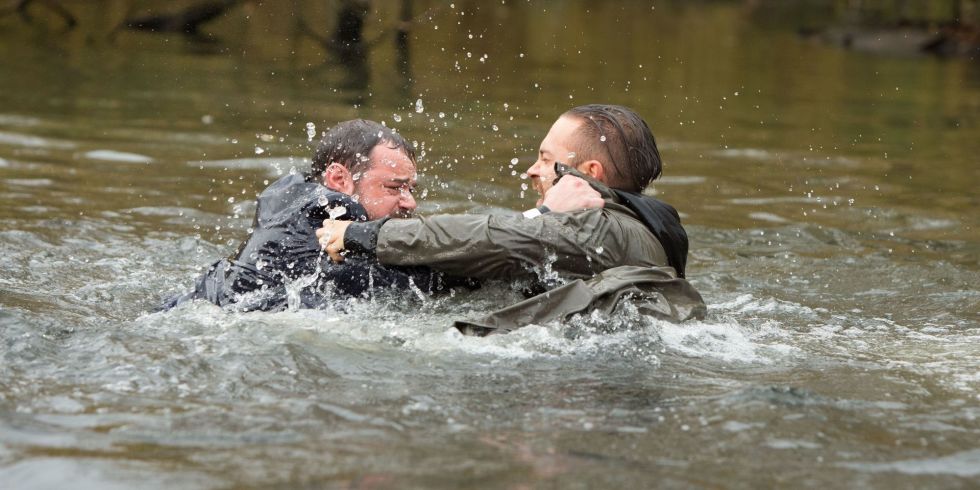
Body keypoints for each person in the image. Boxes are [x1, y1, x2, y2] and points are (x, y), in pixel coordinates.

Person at [317, 104, 707, 334]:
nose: (531, 170)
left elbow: (495, 237)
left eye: (545, 159)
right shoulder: (633, 229)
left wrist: (363, 235)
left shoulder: (600, 223)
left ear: (590, 172)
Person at [163, 119, 464, 311]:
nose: (409, 203)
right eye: (393, 187)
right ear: (338, 179)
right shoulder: (331, 213)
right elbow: (409, 285)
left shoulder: (288, 203)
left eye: (411, 189)